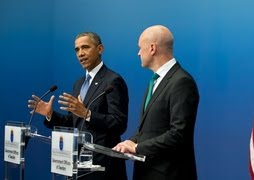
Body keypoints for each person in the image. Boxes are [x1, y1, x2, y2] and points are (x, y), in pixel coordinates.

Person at [28, 32, 128, 180]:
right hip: (77, 164)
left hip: (103, 167)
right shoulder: (79, 83)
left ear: (100, 49)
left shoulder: (112, 81)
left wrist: (88, 114)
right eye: (77, 49)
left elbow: (119, 124)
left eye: (85, 47)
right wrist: (50, 114)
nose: (80, 53)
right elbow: (75, 122)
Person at [113, 25, 199, 180]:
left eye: (140, 48)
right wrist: (130, 142)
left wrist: (138, 147)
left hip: (169, 174)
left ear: (152, 48)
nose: (138, 52)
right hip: (147, 172)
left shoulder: (182, 82)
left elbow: (178, 135)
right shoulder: (155, 81)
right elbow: (149, 128)